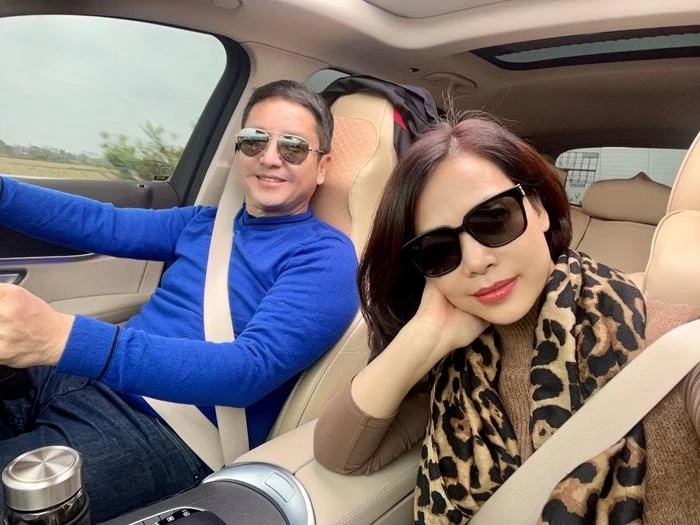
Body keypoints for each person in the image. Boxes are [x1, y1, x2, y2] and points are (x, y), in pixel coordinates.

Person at [0, 80, 359, 521]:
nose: (270, 157)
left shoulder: (325, 256)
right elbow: (100, 223)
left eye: (293, 147)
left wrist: (62, 338)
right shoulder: (204, 223)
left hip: (162, 429)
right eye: (254, 140)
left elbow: (246, 371)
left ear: (322, 166)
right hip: (84, 377)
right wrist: (4, 194)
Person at [314, 114, 700, 523]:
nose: (475, 261)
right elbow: (340, 453)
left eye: (494, 219)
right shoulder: (453, 375)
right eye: (438, 250)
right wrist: (425, 334)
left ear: (540, 210)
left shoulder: (677, 345)